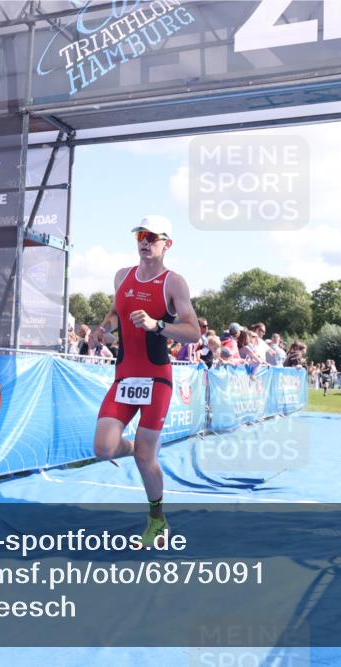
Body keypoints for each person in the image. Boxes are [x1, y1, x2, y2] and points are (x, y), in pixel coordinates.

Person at [87, 215, 201, 548]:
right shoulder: (122, 275)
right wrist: (102, 330)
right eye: (140, 235)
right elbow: (113, 314)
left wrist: (156, 325)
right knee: (103, 448)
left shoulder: (173, 283)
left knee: (144, 458)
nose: (145, 241)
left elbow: (193, 331)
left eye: (152, 236)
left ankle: (157, 519)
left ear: (168, 243)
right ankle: (139, 450)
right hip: (124, 376)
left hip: (156, 379)